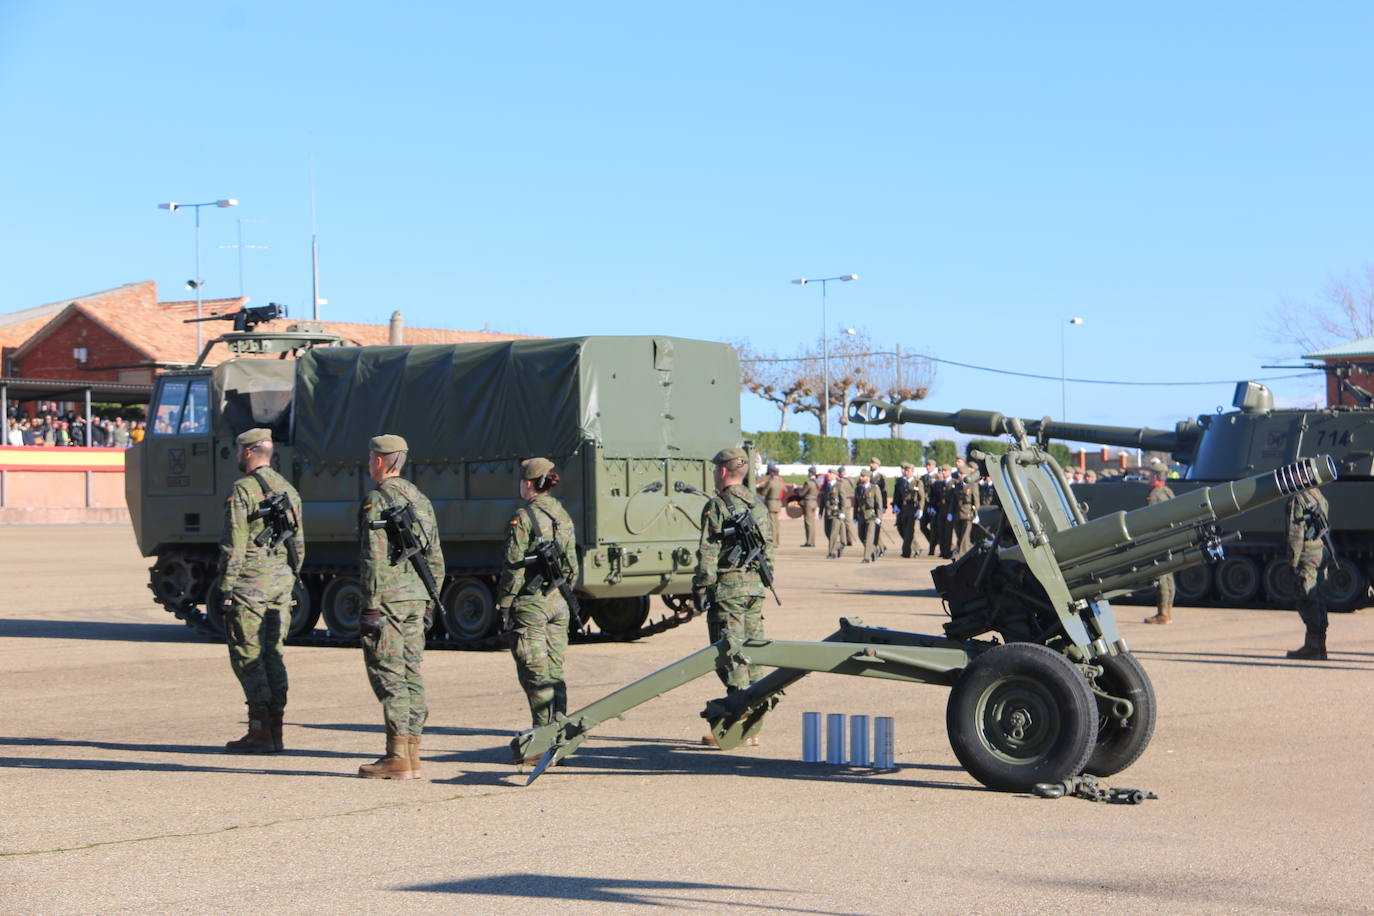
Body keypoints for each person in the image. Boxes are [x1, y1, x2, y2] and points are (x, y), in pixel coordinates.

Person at [357, 434, 445, 779]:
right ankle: (413, 751)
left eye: (370, 459)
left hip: (390, 600)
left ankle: (396, 755)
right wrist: (430, 600)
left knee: (388, 671)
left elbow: (373, 558)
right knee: (411, 671)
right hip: (417, 597)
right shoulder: (420, 499)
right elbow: (436, 555)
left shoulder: (377, 500)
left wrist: (370, 605)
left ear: (379, 461)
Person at [216, 428, 304, 755]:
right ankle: (276, 730)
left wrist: (226, 587)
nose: (237, 456)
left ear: (249, 452)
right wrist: (288, 577)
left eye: (240, 451)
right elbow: (299, 544)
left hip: (250, 585)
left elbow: (234, 545)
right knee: (273, 653)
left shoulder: (243, 490)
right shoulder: (288, 489)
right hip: (280, 583)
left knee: (248, 656)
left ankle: (259, 732)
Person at [497, 457, 580, 752]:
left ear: (528, 483)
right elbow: (573, 567)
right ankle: (560, 735)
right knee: (555, 671)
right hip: (558, 603)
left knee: (534, 672)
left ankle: (542, 739)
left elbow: (514, 567)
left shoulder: (524, 517)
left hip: (531, 605)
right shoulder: (562, 514)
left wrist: (505, 602)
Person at [693, 447, 774, 744]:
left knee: (730, 656)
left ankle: (738, 721)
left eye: (716, 469)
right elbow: (769, 549)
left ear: (724, 471)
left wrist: (701, 587)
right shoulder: (759, 504)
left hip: (729, 591)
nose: (714, 474)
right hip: (754, 589)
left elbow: (708, 553)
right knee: (753, 653)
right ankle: (756, 722)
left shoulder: (716, 505)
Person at [1285, 488, 1331, 660]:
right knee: (1317, 598)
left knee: (1307, 598)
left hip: (1306, 553)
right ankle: (1319, 646)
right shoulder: (1319, 495)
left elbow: (1295, 533)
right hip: (1320, 551)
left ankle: (1313, 648)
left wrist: (1292, 561)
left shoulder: (1299, 499)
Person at [1142, 469, 1177, 624]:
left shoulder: (1155, 494)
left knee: (1162, 575)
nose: (1148, 478)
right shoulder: (1168, 491)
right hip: (1170, 537)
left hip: (1159, 539)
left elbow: (1150, 519)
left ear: (1155, 476)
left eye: (1150, 475)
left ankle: (1162, 614)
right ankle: (1168, 611)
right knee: (1169, 577)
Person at [893, 462, 925, 558]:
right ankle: (917, 548)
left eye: (908, 471)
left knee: (909, 530)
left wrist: (920, 509)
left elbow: (921, 497)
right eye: (905, 470)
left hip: (912, 508)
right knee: (901, 528)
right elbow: (897, 495)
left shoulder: (917, 482)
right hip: (902, 508)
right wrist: (895, 505)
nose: (906, 472)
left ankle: (906, 552)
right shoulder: (901, 482)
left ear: (912, 471)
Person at [950, 468, 980, 558]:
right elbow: (954, 500)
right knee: (959, 535)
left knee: (965, 535)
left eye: (962, 474)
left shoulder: (973, 485)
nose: (960, 475)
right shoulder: (958, 485)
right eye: (960, 473)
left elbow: (976, 501)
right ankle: (970, 551)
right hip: (958, 514)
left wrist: (976, 514)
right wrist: (950, 513)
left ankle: (962, 553)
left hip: (968, 514)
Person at [854, 468, 882, 563]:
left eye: (863, 476)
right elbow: (856, 503)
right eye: (861, 476)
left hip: (871, 516)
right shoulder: (858, 488)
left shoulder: (874, 488)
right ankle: (874, 549)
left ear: (868, 477)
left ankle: (866, 557)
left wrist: (879, 517)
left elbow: (879, 504)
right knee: (861, 536)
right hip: (861, 515)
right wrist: (854, 516)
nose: (861, 478)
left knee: (869, 536)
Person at [756, 463, 786, 547]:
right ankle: (777, 541)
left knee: (772, 524)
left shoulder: (770, 482)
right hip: (777, 503)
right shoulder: (780, 481)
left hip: (770, 503)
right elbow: (785, 489)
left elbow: (763, 493)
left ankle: (773, 542)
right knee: (777, 524)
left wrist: (757, 488)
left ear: (772, 473)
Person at [824, 469, 848, 559]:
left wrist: (842, 512)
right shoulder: (827, 485)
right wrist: (820, 511)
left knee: (833, 533)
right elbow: (824, 498)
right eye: (828, 473)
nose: (828, 475)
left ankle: (832, 553)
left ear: (834, 475)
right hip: (828, 512)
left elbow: (843, 499)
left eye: (830, 473)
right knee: (827, 532)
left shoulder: (839, 485)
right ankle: (839, 546)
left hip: (836, 512)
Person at [795, 466, 821, 547]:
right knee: (812, 523)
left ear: (810, 473)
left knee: (808, 523)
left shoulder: (808, 482)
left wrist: (795, 489)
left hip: (808, 503)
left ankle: (809, 542)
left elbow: (802, 493)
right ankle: (812, 541)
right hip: (814, 502)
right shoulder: (817, 482)